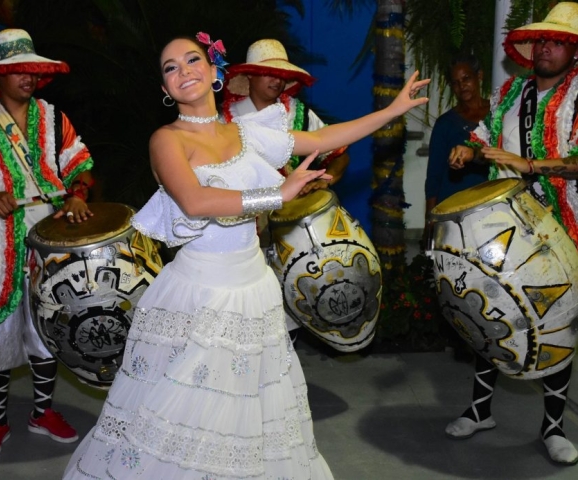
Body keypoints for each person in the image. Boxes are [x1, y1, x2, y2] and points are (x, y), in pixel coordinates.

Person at [63, 32, 428, 479]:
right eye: (170, 67)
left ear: (215, 73)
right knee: (189, 413)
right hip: (200, 294)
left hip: (254, 289)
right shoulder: (167, 140)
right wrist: (276, 193)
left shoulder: (248, 133)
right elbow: (195, 203)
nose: (183, 71)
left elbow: (326, 137)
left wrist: (390, 112)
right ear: (165, 89)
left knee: (249, 409)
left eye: (192, 60)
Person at [0, 29, 94, 460]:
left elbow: (79, 164)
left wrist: (78, 193)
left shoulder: (53, 117)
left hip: (49, 236)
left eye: (32, 69)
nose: (27, 76)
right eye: (17, 69)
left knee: (48, 325)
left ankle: (42, 412)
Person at [448, 2, 578, 465]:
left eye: (557, 42)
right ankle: (481, 410)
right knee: (492, 312)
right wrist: (468, 149)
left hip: (561, 229)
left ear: (573, 51)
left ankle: (553, 427)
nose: (545, 47)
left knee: (555, 323)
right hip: (504, 226)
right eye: (541, 40)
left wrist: (531, 166)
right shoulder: (510, 93)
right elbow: (485, 138)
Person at [223, 39, 351, 339]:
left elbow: (340, 153)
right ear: (250, 77)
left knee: (291, 297)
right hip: (243, 229)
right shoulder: (227, 120)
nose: (277, 79)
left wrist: (325, 179)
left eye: (281, 74)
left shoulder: (299, 114)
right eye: (268, 72)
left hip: (291, 226)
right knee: (248, 307)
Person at [424, 54, 490, 362]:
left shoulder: (497, 115)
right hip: (455, 215)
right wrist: (431, 220)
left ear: (479, 77)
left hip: (490, 212)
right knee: (460, 279)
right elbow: (434, 175)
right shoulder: (446, 123)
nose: (462, 86)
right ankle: (466, 337)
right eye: (456, 81)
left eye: (467, 78)